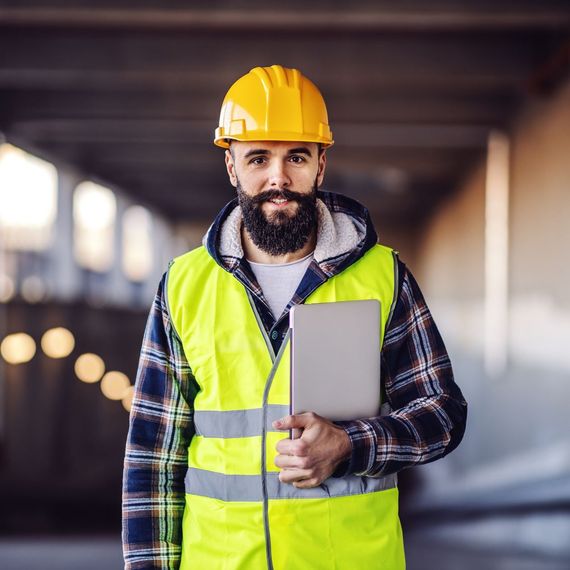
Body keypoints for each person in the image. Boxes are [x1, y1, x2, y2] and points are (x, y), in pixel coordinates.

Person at [122, 64, 468, 570]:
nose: (278, 178)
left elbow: (443, 414)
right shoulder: (184, 285)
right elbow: (152, 458)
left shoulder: (383, 276)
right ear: (232, 167)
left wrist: (352, 444)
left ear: (321, 165)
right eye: (258, 158)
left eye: (296, 157)